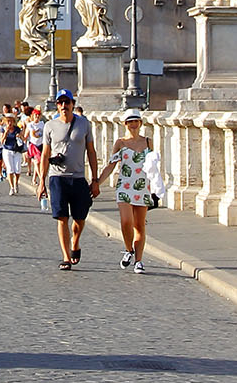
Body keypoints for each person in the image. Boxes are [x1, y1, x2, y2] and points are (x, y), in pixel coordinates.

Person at [41, 90, 101, 268]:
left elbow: (91, 151)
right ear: (57, 105)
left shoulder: (84, 124)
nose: (63, 106)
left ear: (73, 104)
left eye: (67, 102)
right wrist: (40, 182)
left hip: (78, 177)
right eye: (60, 103)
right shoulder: (50, 126)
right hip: (57, 177)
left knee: (80, 218)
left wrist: (95, 180)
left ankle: (75, 241)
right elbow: (45, 155)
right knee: (62, 218)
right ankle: (66, 257)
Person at [93, 107, 154, 273]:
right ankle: (128, 249)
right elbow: (111, 165)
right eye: (130, 122)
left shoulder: (148, 142)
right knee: (126, 221)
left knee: (140, 225)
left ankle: (139, 261)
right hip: (125, 186)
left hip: (142, 186)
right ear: (125, 124)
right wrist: (97, 182)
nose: (133, 125)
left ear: (140, 123)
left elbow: (154, 166)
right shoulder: (120, 143)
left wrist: (158, 187)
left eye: (136, 121)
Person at [1, 111, 26, 194]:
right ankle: (11, 187)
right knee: (10, 169)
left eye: (11, 121)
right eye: (8, 121)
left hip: (16, 150)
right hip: (7, 150)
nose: (9, 123)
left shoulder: (17, 129)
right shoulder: (3, 129)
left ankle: (16, 183)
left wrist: (20, 136)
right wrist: (6, 132)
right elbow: (2, 141)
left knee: (17, 170)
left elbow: (23, 138)